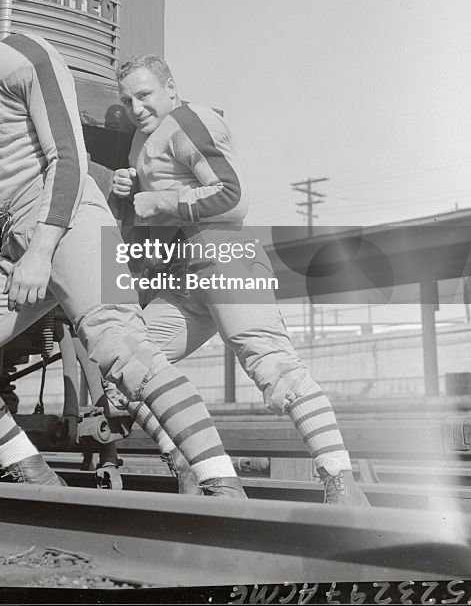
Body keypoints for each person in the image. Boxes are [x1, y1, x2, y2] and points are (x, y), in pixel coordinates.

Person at [0, 0, 246, 496]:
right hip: (19, 242)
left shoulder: (25, 55)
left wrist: (41, 251)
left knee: (124, 352)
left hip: (67, 222)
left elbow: (68, 157)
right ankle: (43, 485)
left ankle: (221, 485)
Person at [110, 54, 370, 507]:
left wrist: (158, 201)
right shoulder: (141, 142)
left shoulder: (191, 119)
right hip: (181, 274)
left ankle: (341, 484)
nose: (136, 107)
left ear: (171, 89)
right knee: (125, 367)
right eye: (127, 99)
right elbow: (145, 221)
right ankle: (202, 473)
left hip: (223, 255)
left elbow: (233, 197)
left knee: (274, 368)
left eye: (145, 95)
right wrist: (126, 201)